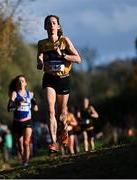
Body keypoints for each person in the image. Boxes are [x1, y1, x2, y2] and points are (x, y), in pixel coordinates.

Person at [37, 15, 81, 153]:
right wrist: (39, 62)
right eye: (48, 24)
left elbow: (78, 59)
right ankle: (53, 142)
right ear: (45, 27)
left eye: (54, 23)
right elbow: (40, 60)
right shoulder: (42, 44)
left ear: (58, 26)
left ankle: (64, 131)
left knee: (62, 116)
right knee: (50, 110)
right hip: (49, 78)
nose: (51, 26)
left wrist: (62, 55)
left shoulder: (64, 41)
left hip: (63, 79)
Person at [7, 74, 38, 167]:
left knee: (26, 142)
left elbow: (36, 108)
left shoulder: (30, 94)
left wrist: (33, 103)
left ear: (25, 83)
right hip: (17, 122)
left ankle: (26, 162)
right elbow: (9, 108)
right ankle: (23, 158)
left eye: (23, 81)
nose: (21, 82)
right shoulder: (15, 94)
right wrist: (17, 105)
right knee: (19, 144)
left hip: (27, 121)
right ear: (17, 84)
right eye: (19, 81)